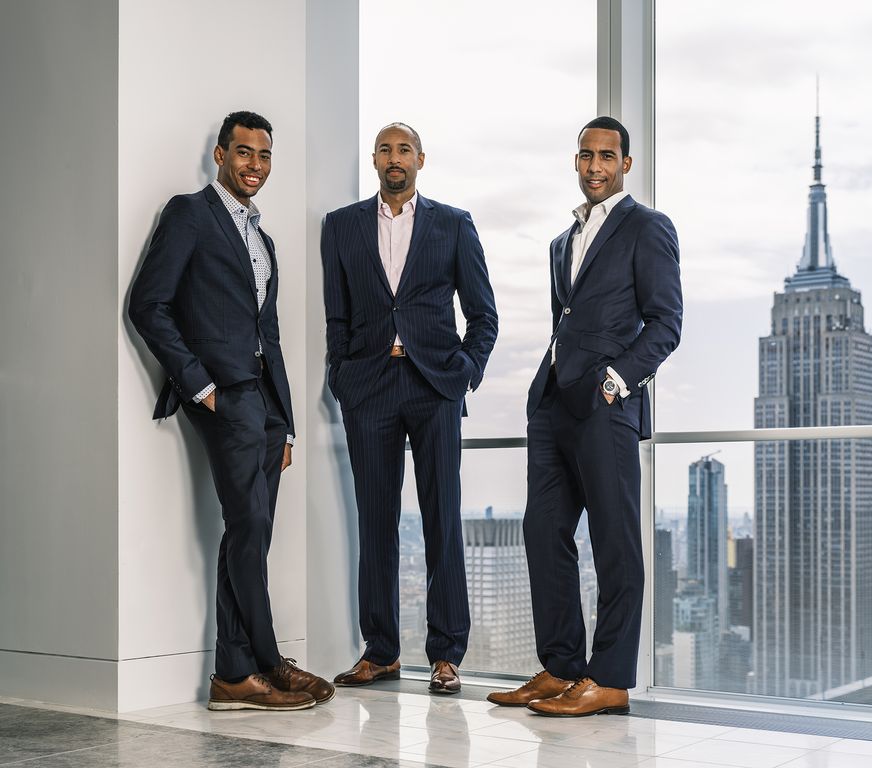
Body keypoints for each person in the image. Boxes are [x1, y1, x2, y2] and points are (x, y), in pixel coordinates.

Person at [129, 111, 333, 711]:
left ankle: (232, 676)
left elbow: (268, 331)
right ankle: (270, 663)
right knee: (249, 531)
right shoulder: (190, 214)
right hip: (226, 395)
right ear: (220, 155)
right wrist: (200, 386)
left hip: (265, 404)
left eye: (264, 155)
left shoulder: (263, 239)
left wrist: (287, 421)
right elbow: (148, 304)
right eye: (244, 153)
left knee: (250, 534)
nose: (255, 165)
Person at [487, 116, 682, 716]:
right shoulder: (559, 242)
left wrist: (617, 382)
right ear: (575, 162)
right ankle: (562, 667)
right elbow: (565, 320)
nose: (594, 166)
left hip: (604, 405)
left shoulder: (647, 228)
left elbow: (666, 323)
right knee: (543, 532)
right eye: (585, 156)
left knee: (615, 542)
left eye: (606, 156)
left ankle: (612, 681)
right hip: (552, 404)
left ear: (625, 164)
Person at [322, 122, 498, 695]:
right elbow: (337, 317)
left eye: (403, 149)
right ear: (373, 159)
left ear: (421, 159)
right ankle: (380, 652)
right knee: (375, 522)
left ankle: (446, 655)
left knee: (442, 519)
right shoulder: (342, 226)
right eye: (384, 149)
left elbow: (483, 315)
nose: (393, 158)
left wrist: (464, 374)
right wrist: (341, 377)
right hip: (368, 387)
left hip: (433, 389)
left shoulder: (453, 224)